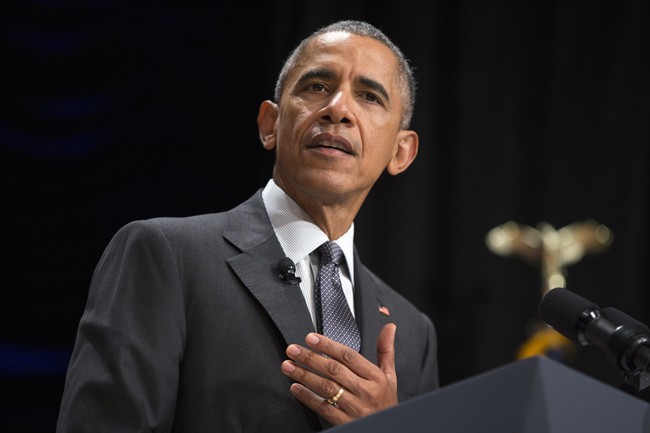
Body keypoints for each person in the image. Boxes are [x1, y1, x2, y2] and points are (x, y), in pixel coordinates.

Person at [56, 20, 439, 432]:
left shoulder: (413, 332)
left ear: (401, 152)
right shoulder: (166, 256)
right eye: (316, 87)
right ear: (269, 124)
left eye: (368, 96)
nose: (338, 109)